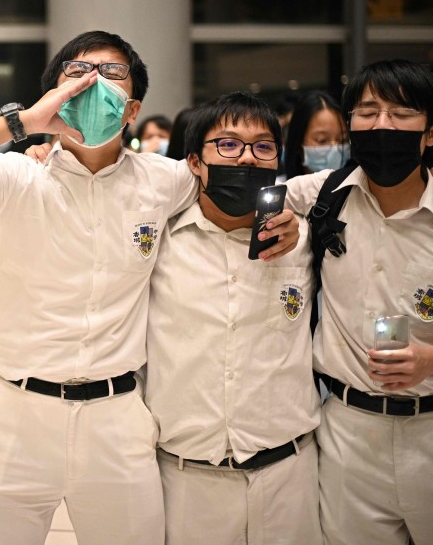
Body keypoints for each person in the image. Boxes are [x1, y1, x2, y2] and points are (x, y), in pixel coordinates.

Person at [0, 30, 300, 544]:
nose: (92, 82)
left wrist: (290, 216)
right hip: (16, 411)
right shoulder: (16, 176)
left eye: (110, 73)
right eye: (77, 72)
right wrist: (26, 123)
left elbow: (246, 188)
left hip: (117, 415)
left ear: (132, 109)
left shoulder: (166, 180)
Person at [285, 60, 433, 545]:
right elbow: (243, 196)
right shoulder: (323, 197)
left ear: (430, 133)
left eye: (400, 112)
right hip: (347, 435)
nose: (382, 124)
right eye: (367, 111)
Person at [146, 92, 322, 545]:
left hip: (290, 472)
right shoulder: (156, 242)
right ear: (194, 162)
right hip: (186, 479)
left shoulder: (303, 237)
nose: (246, 157)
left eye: (262, 147)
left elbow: (357, 182)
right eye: (227, 145)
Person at [283, 91, 349, 180]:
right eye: (322, 140)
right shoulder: (284, 191)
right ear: (299, 145)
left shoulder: (358, 190)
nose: (335, 149)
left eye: (343, 140)